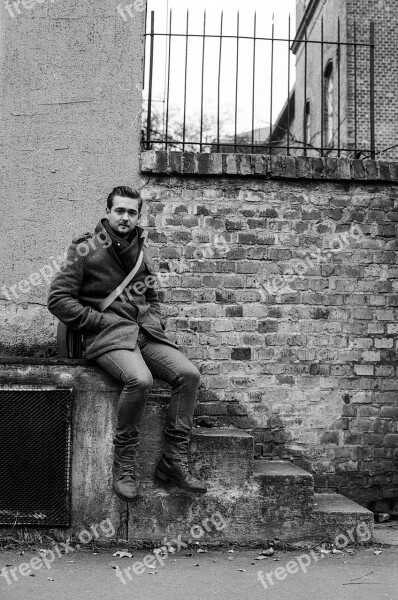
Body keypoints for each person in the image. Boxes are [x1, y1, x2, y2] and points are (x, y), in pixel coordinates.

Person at [48, 185, 207, 501]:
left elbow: (151, 294)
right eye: (119, 210)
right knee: (139, 379)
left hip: (144, 333)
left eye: (131, 212)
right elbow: (58, 299)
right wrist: (98, 321)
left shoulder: (142, 250)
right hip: (108, 335)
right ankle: (125, 464)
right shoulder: (85, 248)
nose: (125, 217)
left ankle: (172, 460)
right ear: (108, 212)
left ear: (138, 216)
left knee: (188, 375)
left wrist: (156, 319)